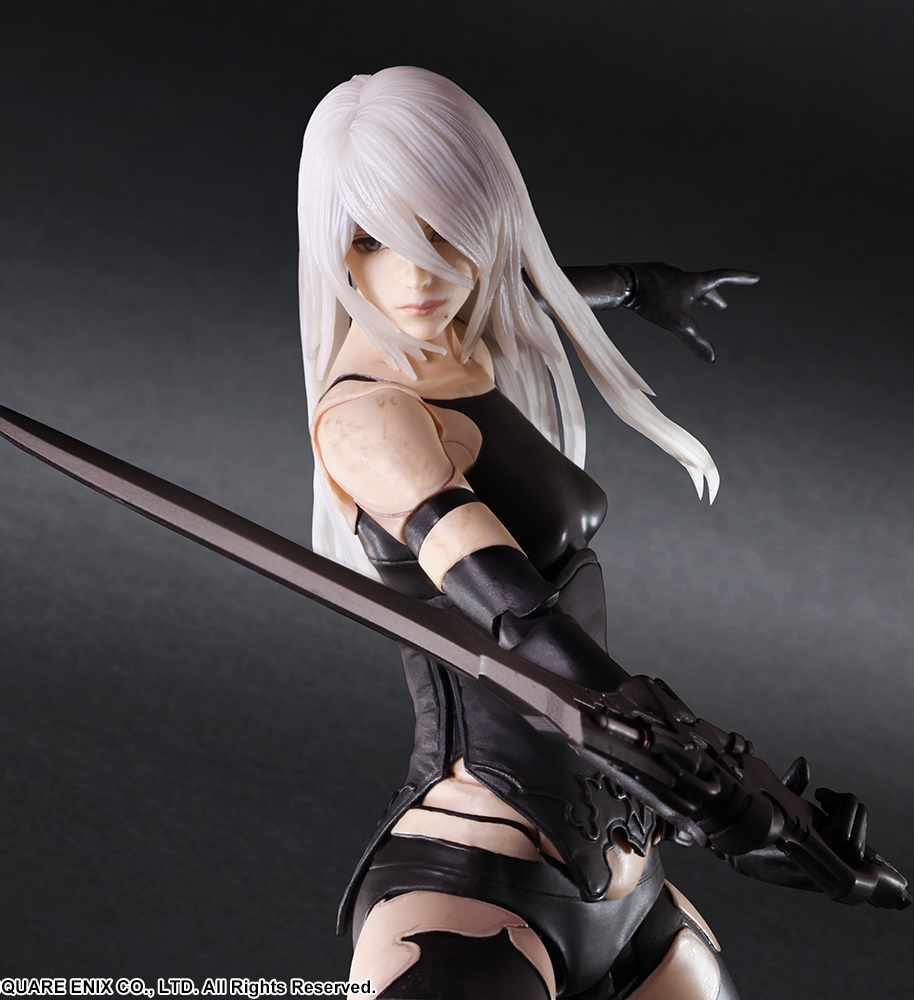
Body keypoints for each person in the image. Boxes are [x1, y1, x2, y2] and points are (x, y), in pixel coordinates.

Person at [298, 67, 900, 999]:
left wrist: (640, 285)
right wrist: (703, 774)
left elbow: (526, 292)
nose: (416, 276)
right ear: (331, 241)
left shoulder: (451, 336)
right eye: (373, 239)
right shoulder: (371, 420)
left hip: (623, 863)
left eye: (445, 233)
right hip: (475, 876)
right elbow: (516, 616)